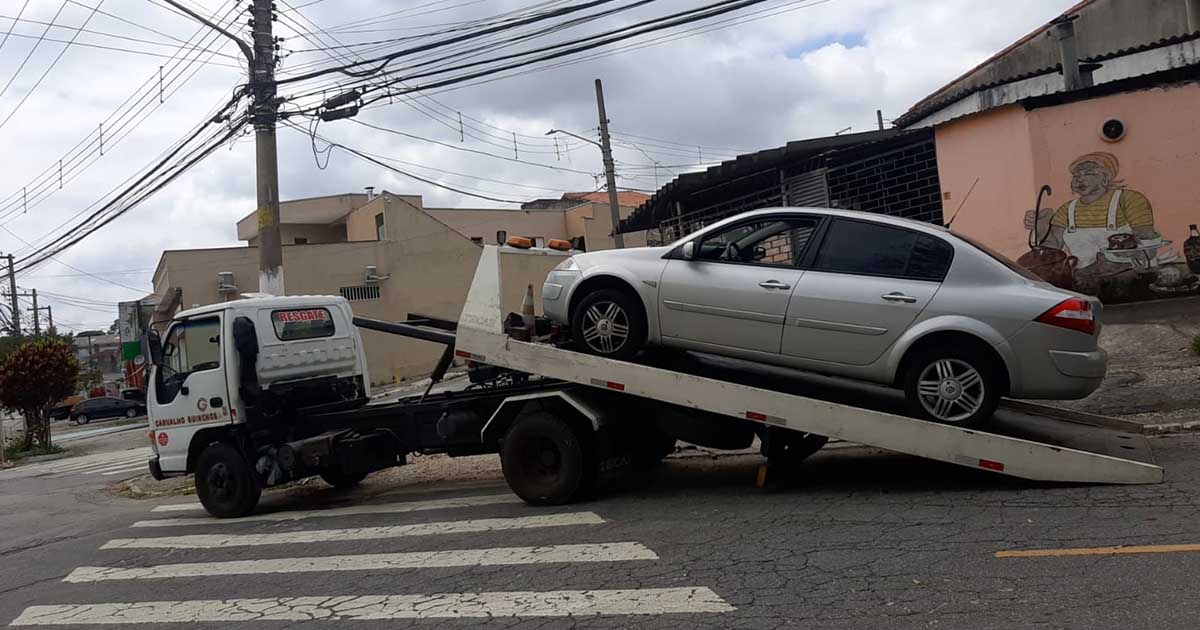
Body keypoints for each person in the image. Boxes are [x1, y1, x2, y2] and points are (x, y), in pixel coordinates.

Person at [1023, 152, 1166, 271]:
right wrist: (1042, 224)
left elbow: (1149, 249)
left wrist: (1117, 255)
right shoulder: (1067, 210)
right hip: (1086, 280)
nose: (1080, 179)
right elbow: (1052, 253)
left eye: (1089, 173)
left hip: (1132, 275)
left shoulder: (1130, 200)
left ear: (1106, 178)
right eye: (1076, 175)